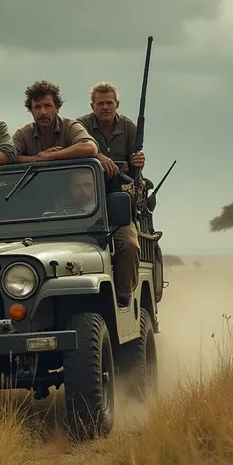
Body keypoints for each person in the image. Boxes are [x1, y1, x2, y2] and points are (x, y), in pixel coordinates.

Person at [77, 82, 142, 309]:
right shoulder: (81, 127)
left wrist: (138, 163)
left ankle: (123, 298)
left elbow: (136, 175)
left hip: (118, 205)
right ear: (92, 106)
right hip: (82, 204)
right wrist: (98, 156)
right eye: (101, 103)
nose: (105, 107)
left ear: (117, 105)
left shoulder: (128, 128)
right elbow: (77, 151)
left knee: (129, 245)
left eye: (109, 103)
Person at [12, 80, 98, 162]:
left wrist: (52, 156)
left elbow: (90, 147)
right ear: (31, 111)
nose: (43, 112)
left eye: (47, 106)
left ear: (57, 108)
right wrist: (36, 158)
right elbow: (8, 156)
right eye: (37, 107)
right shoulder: (23, 134)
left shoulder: (69, 127)